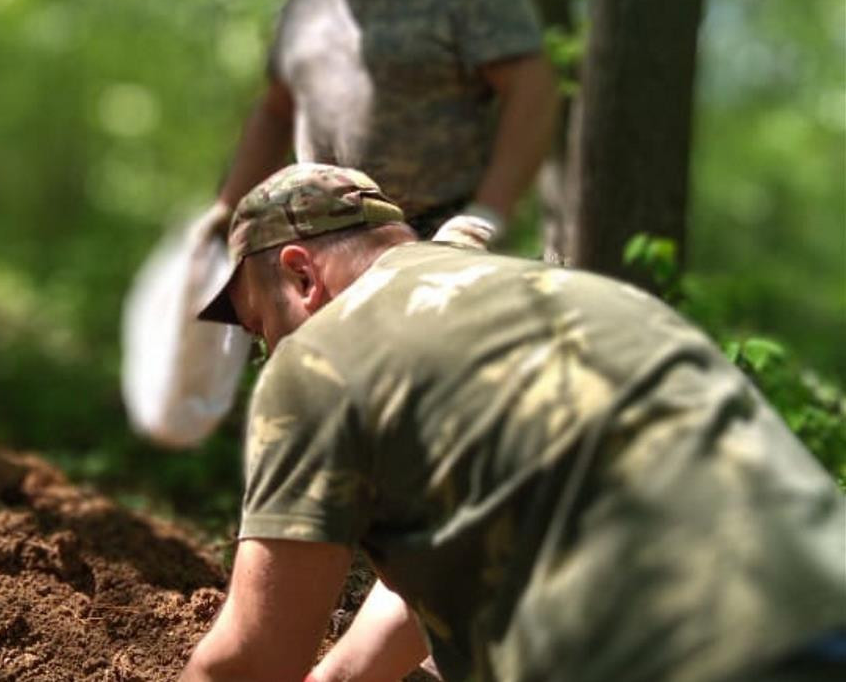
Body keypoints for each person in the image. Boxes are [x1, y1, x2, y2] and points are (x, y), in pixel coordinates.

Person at [181, 163, 846, 681]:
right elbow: (464, 545)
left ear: (300, 277)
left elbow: (252, 661)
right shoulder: (567, 294)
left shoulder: (320, 356)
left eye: (259, 326)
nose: (268, 352)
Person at [204, 0, 558, 242]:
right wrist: (230, 208)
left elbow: (531, 89)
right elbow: (276, 111)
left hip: (438, 241)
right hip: (325, 244)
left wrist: (487, 214)